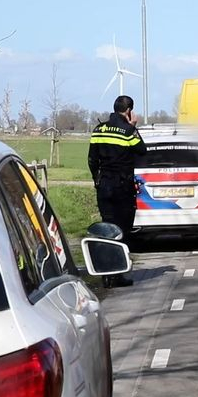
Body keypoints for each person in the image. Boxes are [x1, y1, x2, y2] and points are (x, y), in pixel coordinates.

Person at [88, 95, 147, 287]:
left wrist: (96, 179)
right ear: (129, 111)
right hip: (123, 187)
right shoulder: (128, 131)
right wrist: (133, 126)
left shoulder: (99, 129)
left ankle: (106, 275)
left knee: (107, 229)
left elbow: (92, 159)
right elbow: (142, 150)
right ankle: (118, 274)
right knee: (122, 229)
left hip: (104, 186)